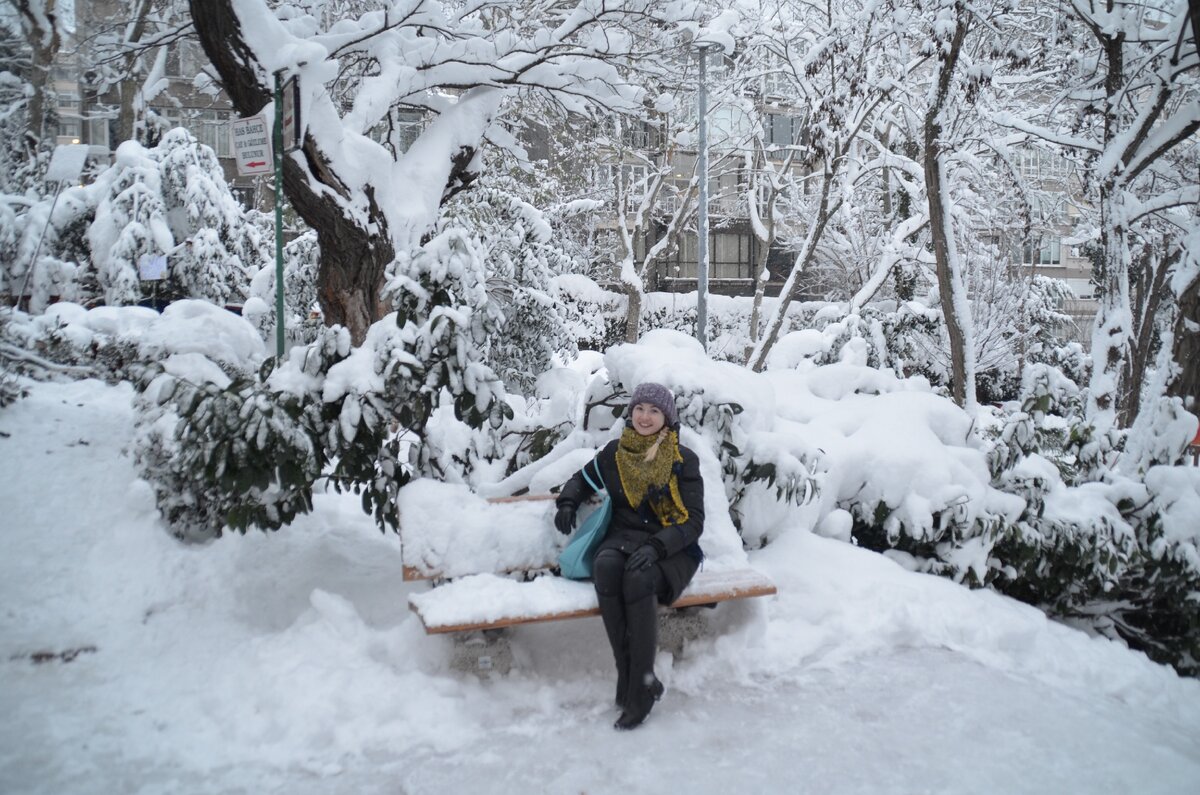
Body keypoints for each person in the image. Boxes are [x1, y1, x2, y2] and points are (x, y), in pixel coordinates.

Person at [555, 382, 705, 730]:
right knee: (606, 567)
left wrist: (657, 546)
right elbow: (582, 479)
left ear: (667, 418)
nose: (645, 416)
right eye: (640, 409)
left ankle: (643, 683)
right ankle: (627, 671)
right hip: (623, 539)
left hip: (672, 546)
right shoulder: (615, 454)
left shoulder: (683, 461)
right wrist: (568, 501)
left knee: (639, 578)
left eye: (654, 411)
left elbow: (693, 522)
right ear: (631, 412)